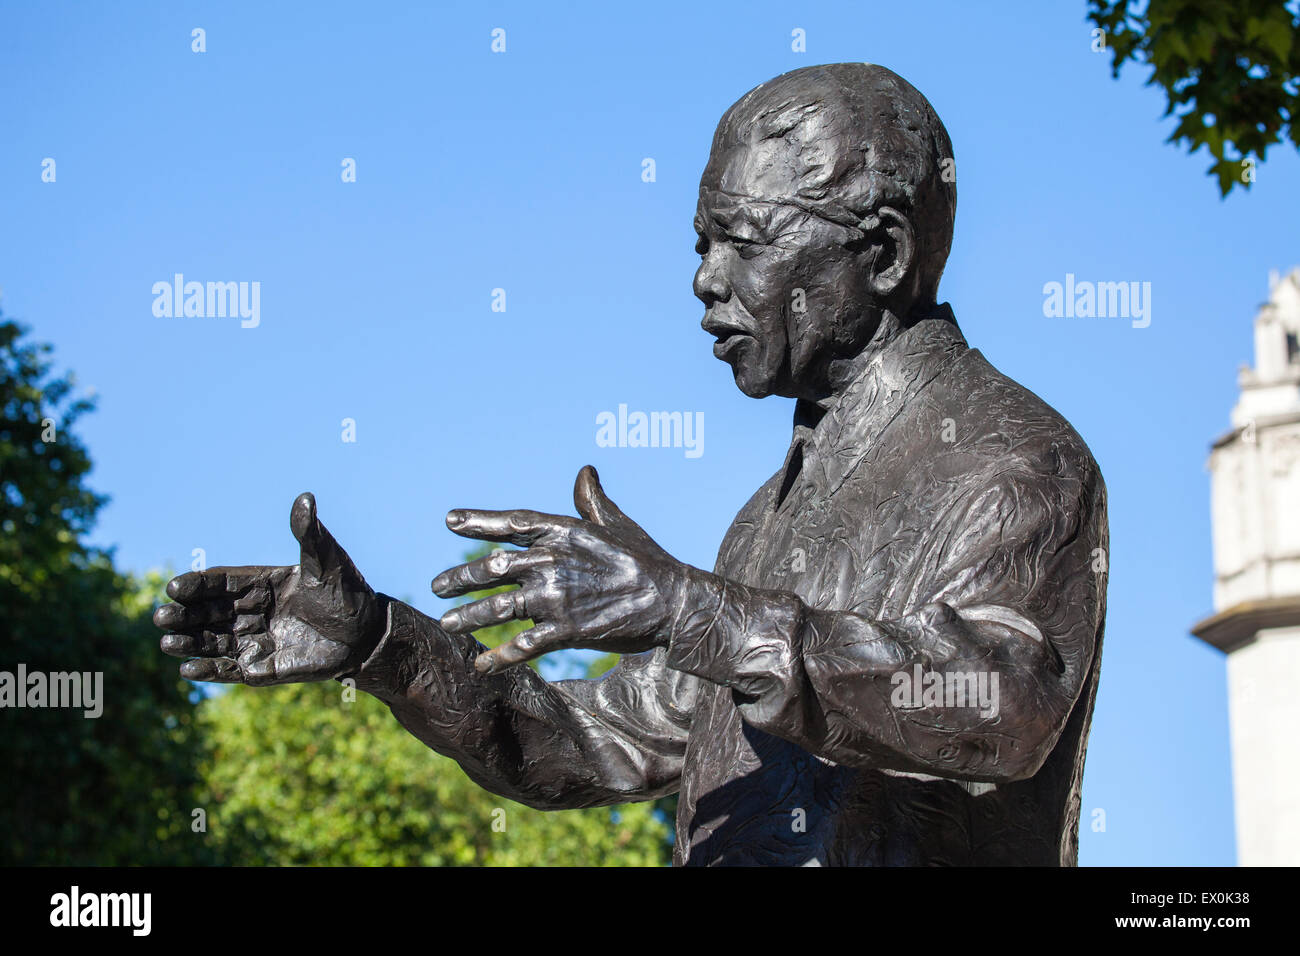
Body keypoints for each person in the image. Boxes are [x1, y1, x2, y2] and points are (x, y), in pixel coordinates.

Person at [158, 63, 1108, 866]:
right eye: (702, 242)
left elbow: (998, 706)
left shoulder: (1013, 456)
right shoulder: (762, 520)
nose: (704, 278)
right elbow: (592, 741)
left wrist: (688, 609)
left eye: (741, 239)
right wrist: (381, 646)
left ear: (885, 255)